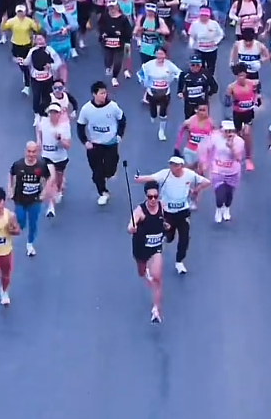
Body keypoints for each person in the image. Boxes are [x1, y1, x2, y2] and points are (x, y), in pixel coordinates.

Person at [135, 156, 210, 274]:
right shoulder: (165, 174)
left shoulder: (189, 174)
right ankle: (154, 253)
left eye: (175, 165)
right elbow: (151, 177)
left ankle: (179, 262)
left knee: (184, 238)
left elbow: (206, 182)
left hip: (183, 212)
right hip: (167, 214)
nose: (172, 167)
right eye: (171, 164)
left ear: (181, 166)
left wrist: (196, 189)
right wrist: (139, 178)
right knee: (168, 237)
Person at [77, 82, 126, 205]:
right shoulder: (86, 109)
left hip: (110, 143)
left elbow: (122, 120)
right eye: (101, 93)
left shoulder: (113, 106)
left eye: (105, 93)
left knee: (109, 170)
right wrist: (85, 141)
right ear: (94, 94)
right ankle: (103, 192)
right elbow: (80, 126)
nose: (104, 95)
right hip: (94, 145)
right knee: (97, 172)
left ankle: (109, 174)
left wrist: (119, 135)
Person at [128, 180, 168, 324]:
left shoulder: (163, 207)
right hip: (141, 248)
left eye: (155, 196)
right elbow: (130, 225)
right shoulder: (140, 211)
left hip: (156, 248)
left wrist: (167, 226)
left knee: (157, 278)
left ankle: (156, 310)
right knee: (141, 272)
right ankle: (146, 272)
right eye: (150, 197)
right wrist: (132, 228)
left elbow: (168, 221)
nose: (153, 200)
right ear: (146, 196)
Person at [9, 142, 53, 257]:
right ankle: (11, 234)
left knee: (33, 223)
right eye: (29, 151)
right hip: (19, 199)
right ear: (25, 151)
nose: (31, 154)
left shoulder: (41, 165)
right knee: (21, 221)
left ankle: (30, 244)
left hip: (35, 200)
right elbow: (11, 175)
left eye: (34, 152)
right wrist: (10, 189)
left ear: (37, 152)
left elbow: (48, 178)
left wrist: (44, 192)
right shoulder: (18, 165)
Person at [198, 121, 246, 223]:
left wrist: (231, 146)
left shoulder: (239, 142)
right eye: (226, 131)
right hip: (218, 171)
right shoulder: (215, 138)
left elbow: (238, 158)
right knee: (220, 194)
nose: (228, 133)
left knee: (229, 195)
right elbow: (205, 148)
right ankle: (218, 209)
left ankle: (226, 208)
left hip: (232, 172)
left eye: (231, 131)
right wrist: (204, 162)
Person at [38, 104, 72, 218]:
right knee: (50, 178)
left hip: (60, 158)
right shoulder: (44, 122)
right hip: (47, 157)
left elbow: (68, 146)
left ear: (59, 114)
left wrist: (60, 139)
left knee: (58, 179)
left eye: (55, 112)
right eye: (51, 112)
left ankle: (60, 188)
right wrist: (39, 141)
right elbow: (38, 129)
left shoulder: (64, 127)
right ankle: (50, 206)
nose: (53, 115)